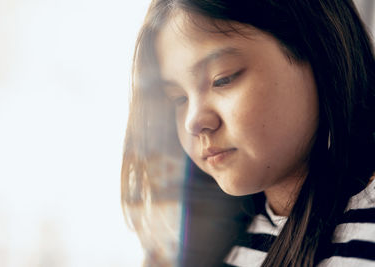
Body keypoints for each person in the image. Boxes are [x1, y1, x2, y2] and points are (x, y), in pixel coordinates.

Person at [121, 0, 375, 266]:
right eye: (178, 99)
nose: (193, 122)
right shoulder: (212, 245)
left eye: (223, 78)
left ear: (319, 51)